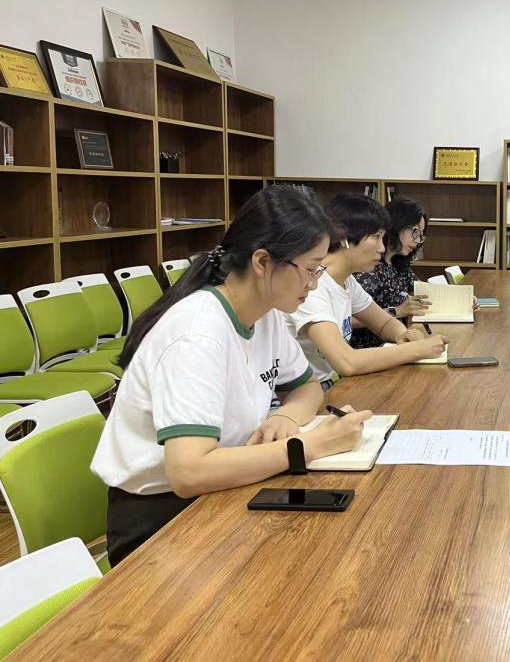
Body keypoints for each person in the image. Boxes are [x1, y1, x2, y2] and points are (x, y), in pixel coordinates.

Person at [91, 186, 373, 566]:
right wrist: (309, 445)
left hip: (225, 484)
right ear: (263, 262)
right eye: (310, 269)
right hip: (162, 521)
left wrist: (286, 418)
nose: (315, 283)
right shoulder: (197, 333)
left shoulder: (266, 314)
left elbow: (307, 387)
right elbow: (188, 472)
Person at [285, 193, 448, 385]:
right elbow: (347, 363)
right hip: (312, 390)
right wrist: (417, 349)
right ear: (344, 237)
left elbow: (384, 323)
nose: (382, 248)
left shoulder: (347, 281)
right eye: (376, 237)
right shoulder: (312, 286)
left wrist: (403, 334)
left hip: (334, 384)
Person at [350, 196, 431, 349]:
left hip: (395, 341)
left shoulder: (398, 263)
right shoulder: (369, 269)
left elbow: (424, 291)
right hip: (371, 348)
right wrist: (398, 311)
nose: (418, 240)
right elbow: (351, 319)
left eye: (421, 235)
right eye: (415, 232)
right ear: (397, 225)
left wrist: (461, 299)